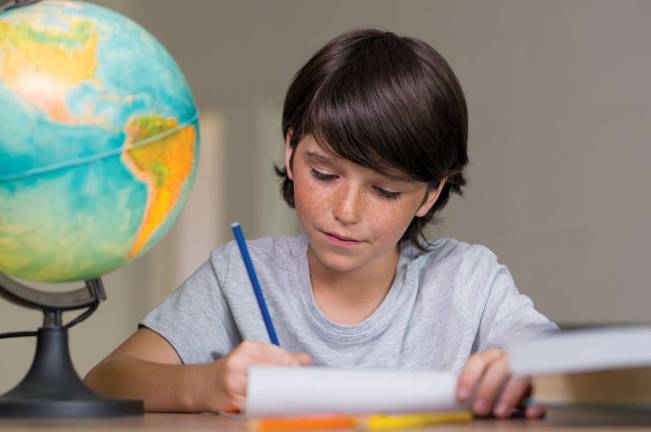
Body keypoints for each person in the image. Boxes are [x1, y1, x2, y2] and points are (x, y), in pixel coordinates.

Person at [84, 28, 557, 419]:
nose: (346, 211)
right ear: (290, 151)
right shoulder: (242, 275)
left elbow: (570, 372)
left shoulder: (466, 281)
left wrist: (524, 368)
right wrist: (206, 384)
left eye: (385, 191)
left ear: (430, 193)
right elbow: (105, 381)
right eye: (325, 174)